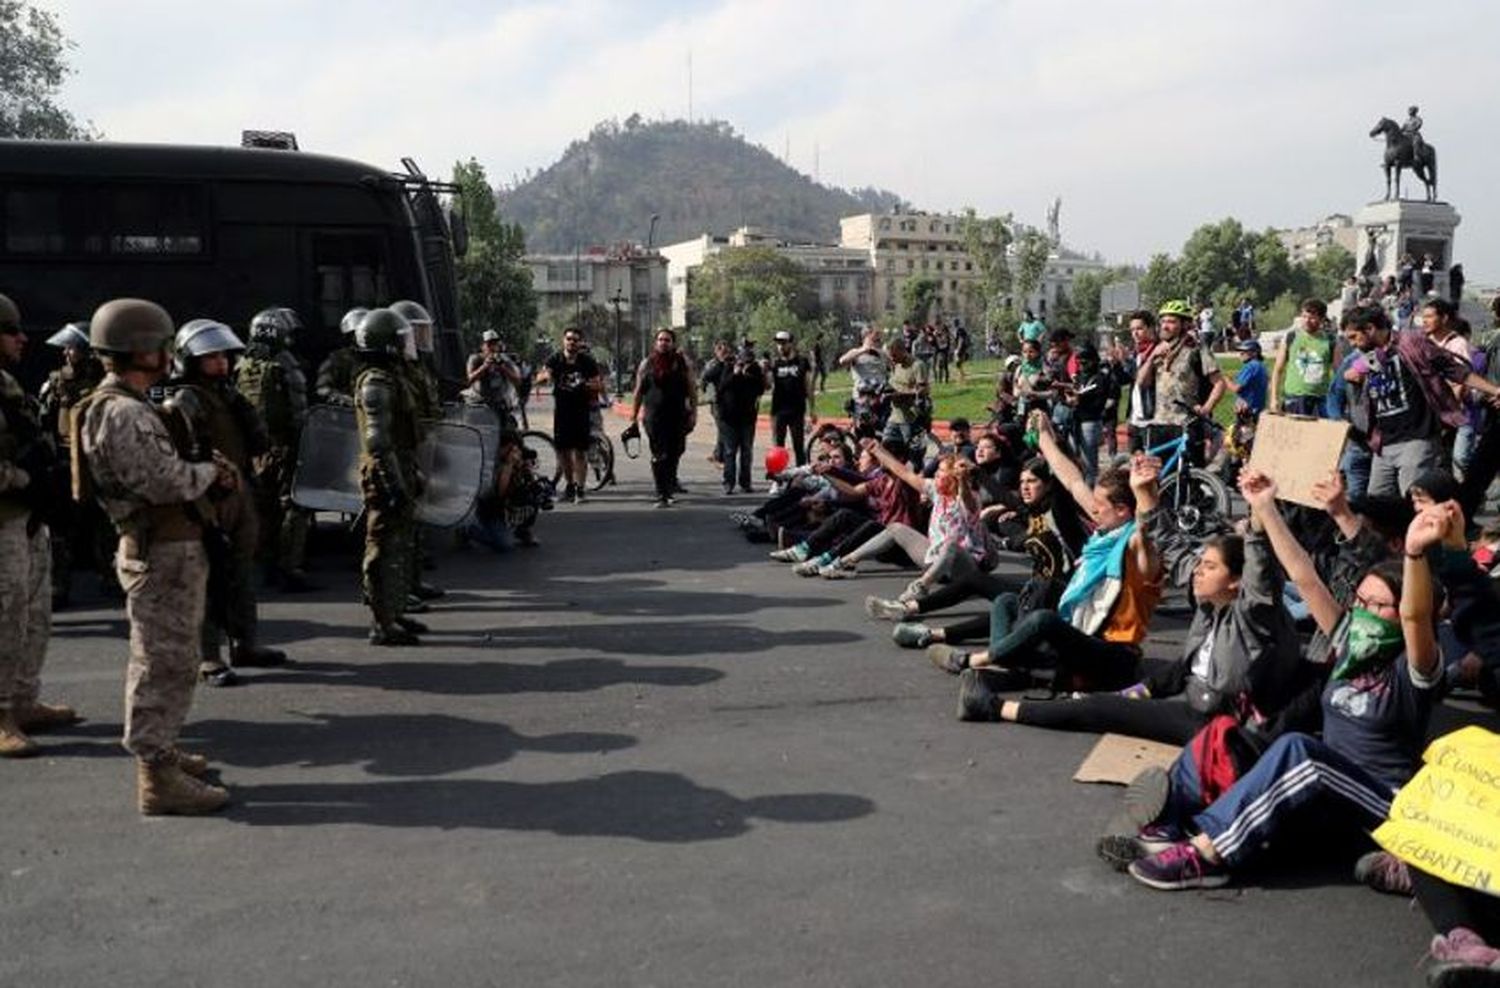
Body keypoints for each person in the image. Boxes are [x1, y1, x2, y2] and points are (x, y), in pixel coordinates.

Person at [1119, 483, 1451, 892]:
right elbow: (1304, 578)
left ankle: (1207, 855)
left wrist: (1414, 554)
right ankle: (1166, 822)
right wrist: (1264, 508)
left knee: (1301, 750)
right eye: (1361, 602)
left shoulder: (1413, 671)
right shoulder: (1351, 645)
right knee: (1223, 734)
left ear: (1400, 615)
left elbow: (1417, 617)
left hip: (1383, 804)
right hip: (1329, 794)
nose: (1364, 613)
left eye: (1379, 607)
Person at [77, 297, 239, 814]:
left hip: (171, 547)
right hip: (161, 551)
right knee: (161, 662)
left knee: (175, 657)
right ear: (141, 350)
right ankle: (156, 775)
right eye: (161, 345)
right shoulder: (123, 413)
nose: (169, 353)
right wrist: (212, 474)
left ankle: (163, 753)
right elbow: (165, 481)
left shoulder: (130, 405)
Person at [931, 411, 1163, 692]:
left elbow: (1148, 531)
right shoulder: (1105, 534)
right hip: (1079, 637)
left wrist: (1145, 492)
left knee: (1043, 620)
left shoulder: (1134, 547)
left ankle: (975, 660)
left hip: (1111, 655)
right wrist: (1043, 435)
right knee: (1006, 601)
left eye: (1099, 506)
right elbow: (1072, 480)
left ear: (1123, 510)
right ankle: (1005, 667)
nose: (1093, 510)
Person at [161, 318, 287, 687]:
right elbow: (188, 452)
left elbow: (255, 439)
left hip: (239, 491)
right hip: (208, 496)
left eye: (224, 356)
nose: (222, 363)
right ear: (190, 360)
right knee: (209, 575)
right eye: (211, 357)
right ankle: (208, 657)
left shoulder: (227, 395)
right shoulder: (186, 398)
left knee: (242, 573)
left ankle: (245, 644)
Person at [0, 293, 77, 758]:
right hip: (5, 516)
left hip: (24, 519)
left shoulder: (7, 383)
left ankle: (23, 701)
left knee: (33, 615)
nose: (21, 338)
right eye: (10, 331)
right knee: (5, 619)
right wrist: (24, 478)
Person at [1341, 304, 1500, 497]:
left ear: (1370, 329)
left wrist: (1495, 390)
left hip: (1416, 439)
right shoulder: (1366, 356)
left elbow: (1455, 370)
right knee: (1376, 505)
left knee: (1413, 501)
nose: (1352, 344)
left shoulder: (1411, 342)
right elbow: (1350, 377)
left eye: (1353, 337)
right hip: (1384, 443)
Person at [350, 309, 425, 646]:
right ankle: (381, 623)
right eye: (400, 339)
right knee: (382, 545)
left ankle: (394, 612)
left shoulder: (393, 377)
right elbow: (378, 441)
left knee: (400, 544)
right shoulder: (376, 382)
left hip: (399, 466)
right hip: (384, 472)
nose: (406, 345)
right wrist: (393, 483)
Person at [234, 306, 313, 591]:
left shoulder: (242, 364)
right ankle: (288, 568)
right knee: (294, 505)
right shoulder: (284, 364)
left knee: (260, 507)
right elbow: (299, 411)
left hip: (254, 448)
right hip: (283, 446)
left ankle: (259, 564)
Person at [38, 321, 106, 607]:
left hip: (100, 458)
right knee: (61, 528)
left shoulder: (107, 382)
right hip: (67, 459)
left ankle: (113, 576)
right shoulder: (56, 382)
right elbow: (45, 421)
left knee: (108, 522)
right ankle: (59, 583)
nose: (66, 353)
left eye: (72, 348)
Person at [1137, 299, 1224, 466]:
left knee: (1189, 478)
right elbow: (1142, 383)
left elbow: (1219, 384)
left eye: (1171, 321)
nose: (1165, 326)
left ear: (1184, 324)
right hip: (1160, 423)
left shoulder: (1196, 349)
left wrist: (1206, 409)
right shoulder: (1159, 349)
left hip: (1187, 423)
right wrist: (1152, 357)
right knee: (1158, 479)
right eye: (1162, 321)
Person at [631, 329, 698, 508]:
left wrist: (694, 412)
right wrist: (634, 415)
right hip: (654, 418)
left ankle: (670, 484)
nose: (663, 343)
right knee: (659, 454)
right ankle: (662, 492)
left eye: (667, 340)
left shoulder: (682, 363)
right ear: (655, 343)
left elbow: (692, 389)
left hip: (677, 416)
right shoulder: (647, 364)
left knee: (676, 452)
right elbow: (638, 391)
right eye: (660, 340)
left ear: (673, 343)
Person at [538, 328, 603, 504]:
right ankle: (570, 486)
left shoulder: (586, 361)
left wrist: (585, 385)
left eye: (575, 340)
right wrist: (546, 375)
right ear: (563, 340)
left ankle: (581, 490)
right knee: (564, 452)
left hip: (581, 411)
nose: (571, 342)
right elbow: (540, 376)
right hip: (562, 412)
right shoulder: (555, 359)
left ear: (580, 342)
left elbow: (598, 385)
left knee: (580, 452)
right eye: (568, 339)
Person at [706, 344, 764, 494]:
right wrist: (735, 374)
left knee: (746, 451)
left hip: (748, 417)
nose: (745, 364)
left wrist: (748, 375)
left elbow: (761, 388)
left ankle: (745, 482)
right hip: (728, 417)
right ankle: (728, 482)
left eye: (748, 361)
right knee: (730, 451)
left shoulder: (755, 369)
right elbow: (721, 387)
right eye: (742, 361)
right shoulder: (727, 367)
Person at [1269, 299, 1336, 416]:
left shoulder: (1330, 341)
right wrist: (1274, 399)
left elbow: (1338, 372)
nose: (1307, 321)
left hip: (1320, 400)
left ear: (1322, 319)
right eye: (1304, 316)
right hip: (1295, 398)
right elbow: (1277, 370)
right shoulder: (1291, 337)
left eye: (1312, 318)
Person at [767, 331, 816, 466]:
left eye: (783, 343)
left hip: (797, 410)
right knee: (778, 447)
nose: (781, 347)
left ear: (791, 343)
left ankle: (801, 476)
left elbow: (808, 387)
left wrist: (812, 410)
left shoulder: (802, 362)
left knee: (799, 446)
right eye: (778, 344)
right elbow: (768, 385)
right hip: (778, 410)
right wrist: (765, 371)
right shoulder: (775, 363)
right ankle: (778, 478)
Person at [465, 330, 524, 433]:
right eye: (489, 344)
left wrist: (503, 368)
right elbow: (469, 380)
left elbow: (518, 381)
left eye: (495, 344)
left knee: (507, 437)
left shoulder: (503, 359)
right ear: (483, 346)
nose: (492, 347)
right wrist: (484, 367)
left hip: (498, 405)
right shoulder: (475, 359)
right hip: (480, 404)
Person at [882, 338, 929, 450]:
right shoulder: (895, 365)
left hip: (912, 418)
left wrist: (903, 395)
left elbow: (923, 390)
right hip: (894, 416)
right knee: (886, 449)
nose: (892, 359)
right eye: (890, 356)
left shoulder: (917, 365)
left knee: (914, 453)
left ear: (902, 350)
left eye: (894, 355)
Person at [314, 307, 366, 406]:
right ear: (351, 335)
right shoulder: (338, 359)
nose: (364, 336)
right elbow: (322, 388)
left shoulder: (381, 358)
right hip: (346, 413)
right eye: (359, 332)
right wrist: (340, 398)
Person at [1225, 339, 1268, 416]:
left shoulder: (1250, 366)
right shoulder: (1261, 365)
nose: (1241, 353)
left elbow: (1236, 388)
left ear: (1255, 353)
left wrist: (1225, 380)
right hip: (1259, 409)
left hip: (1247, 410)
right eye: (1240, 351)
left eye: (1245, 351)